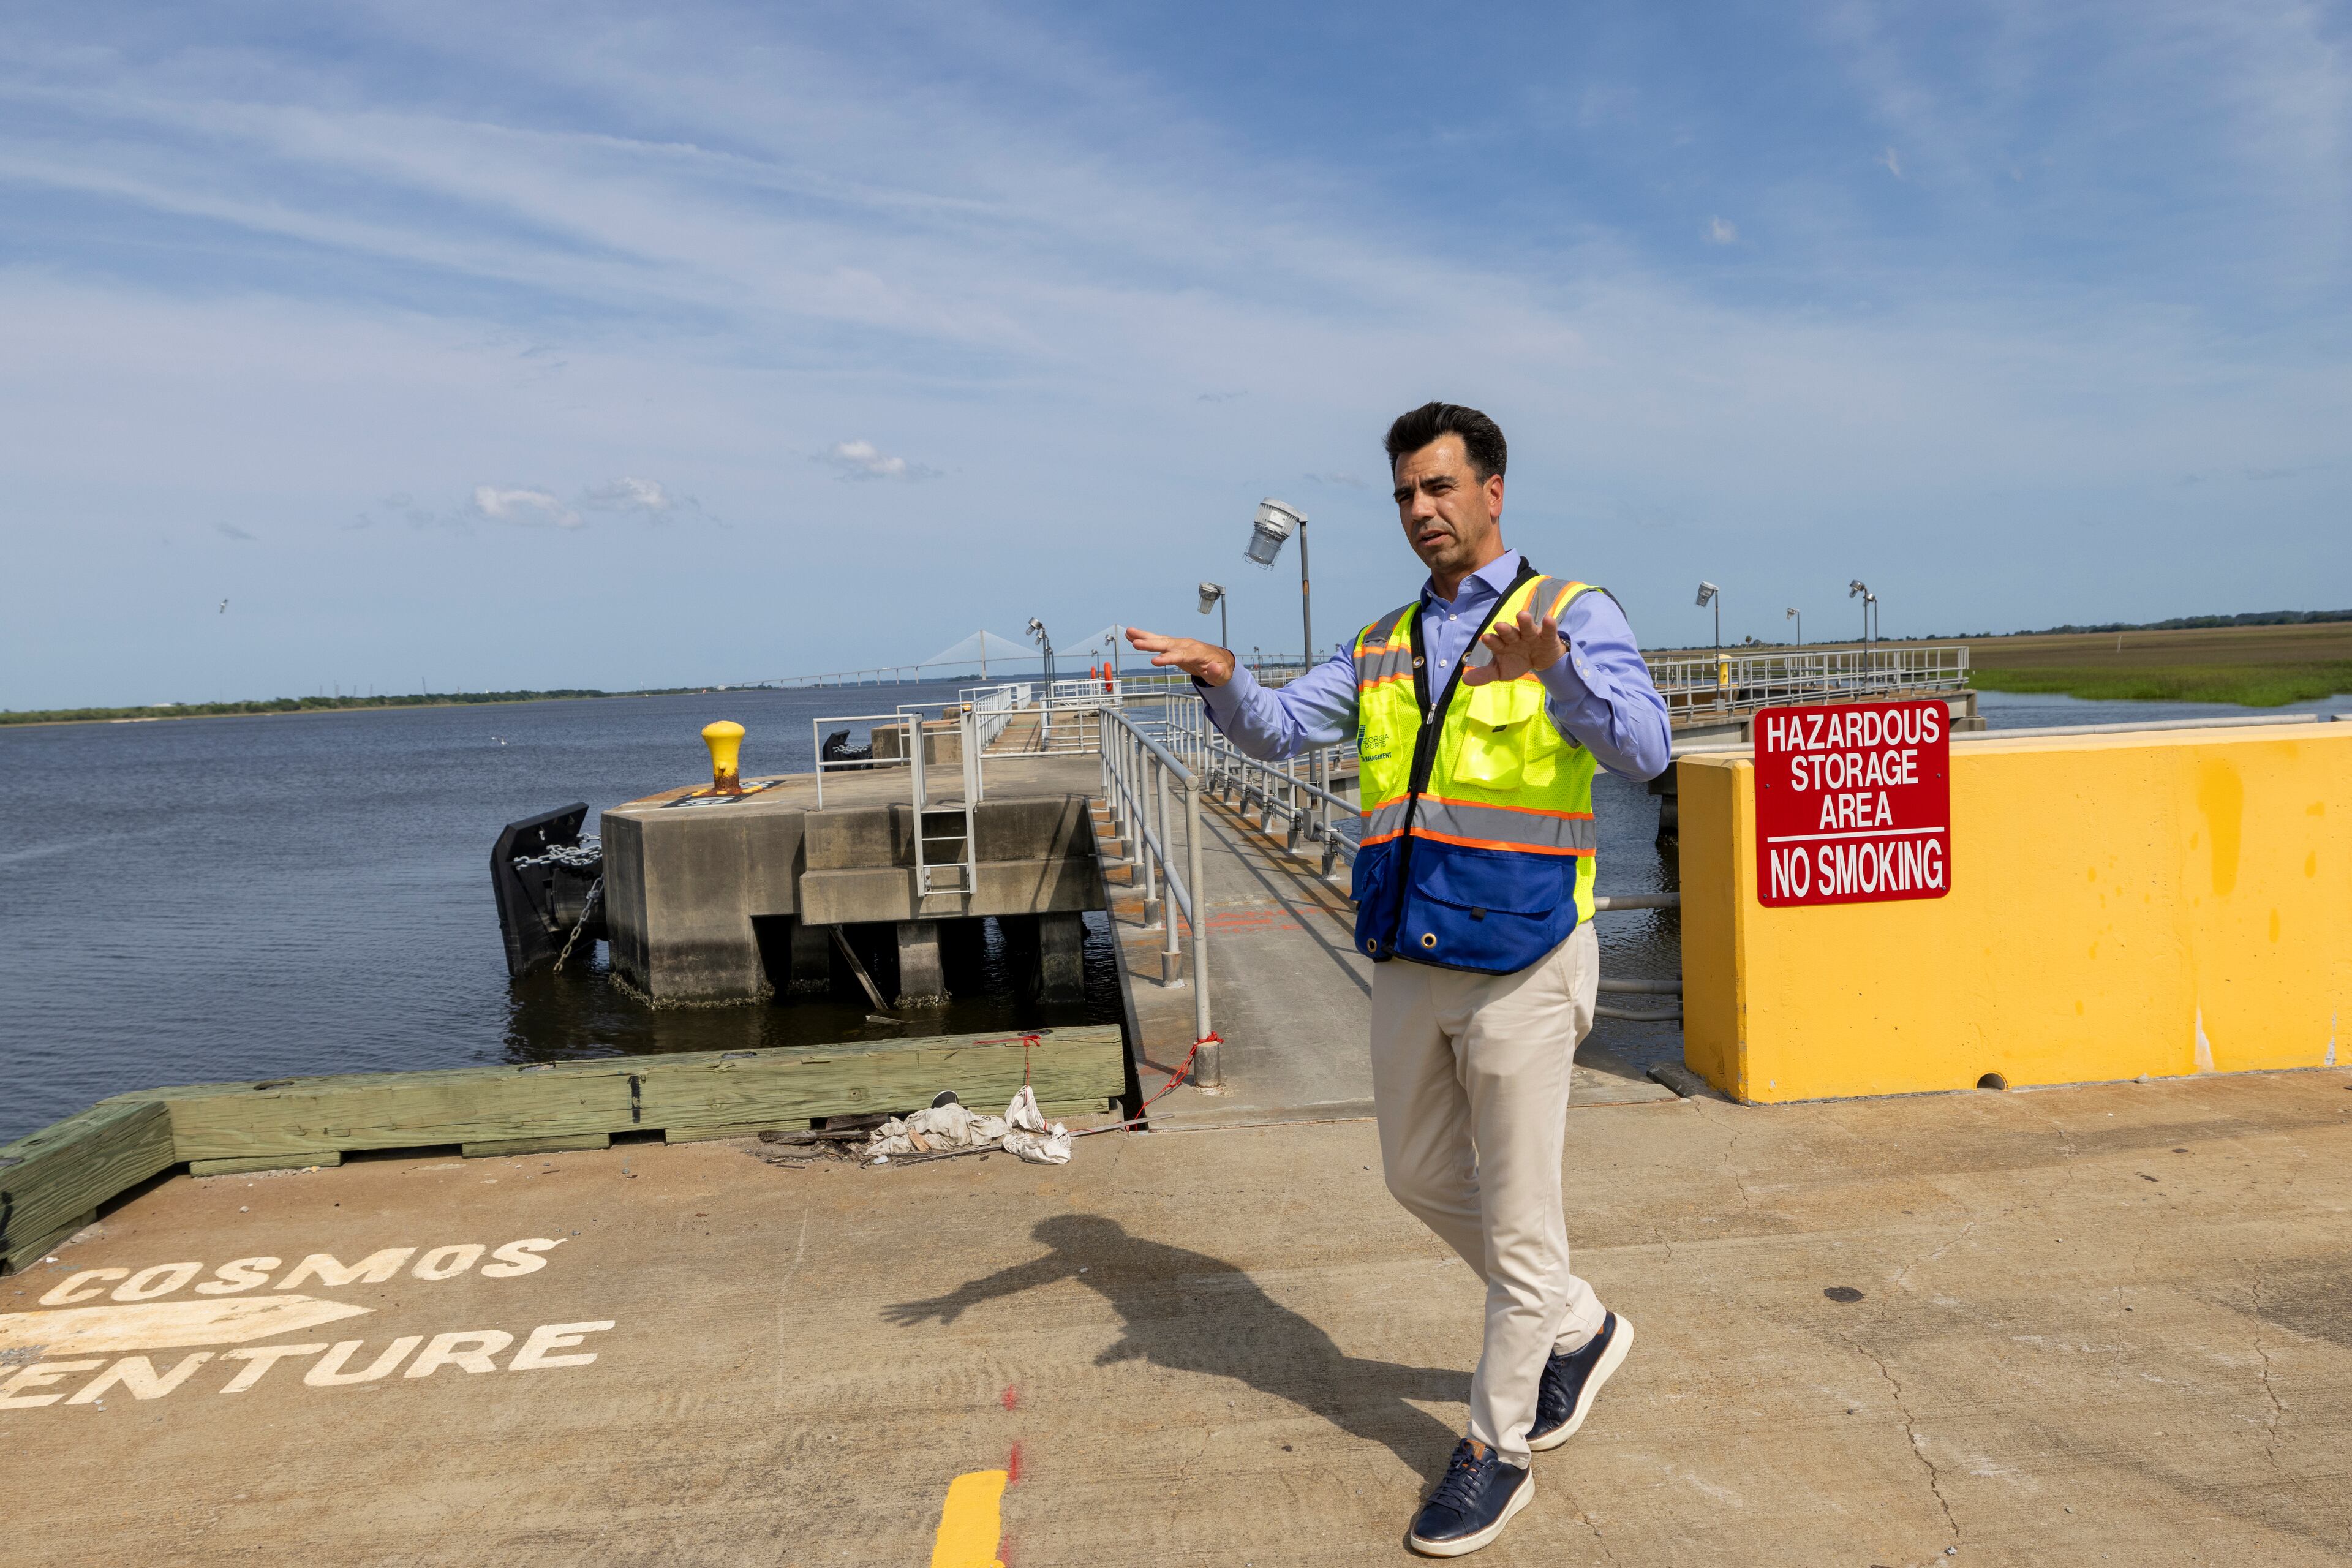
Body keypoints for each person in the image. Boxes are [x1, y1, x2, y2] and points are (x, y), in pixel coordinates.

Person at [1126, 401, 1671, 1557]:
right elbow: (1275, 735)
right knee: (1417, 1174)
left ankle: (1496, 1448)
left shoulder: (1569, 615)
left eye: (1439, 488)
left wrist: (1561, 676)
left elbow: (1646, 750)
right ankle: (1579, 1325)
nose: (1421, 511)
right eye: (1405, 496)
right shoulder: (1380, 641)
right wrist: (1224, 677)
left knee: (1522, 1227)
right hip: (1414, 950)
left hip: (1525, 954)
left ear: (1493, 490)